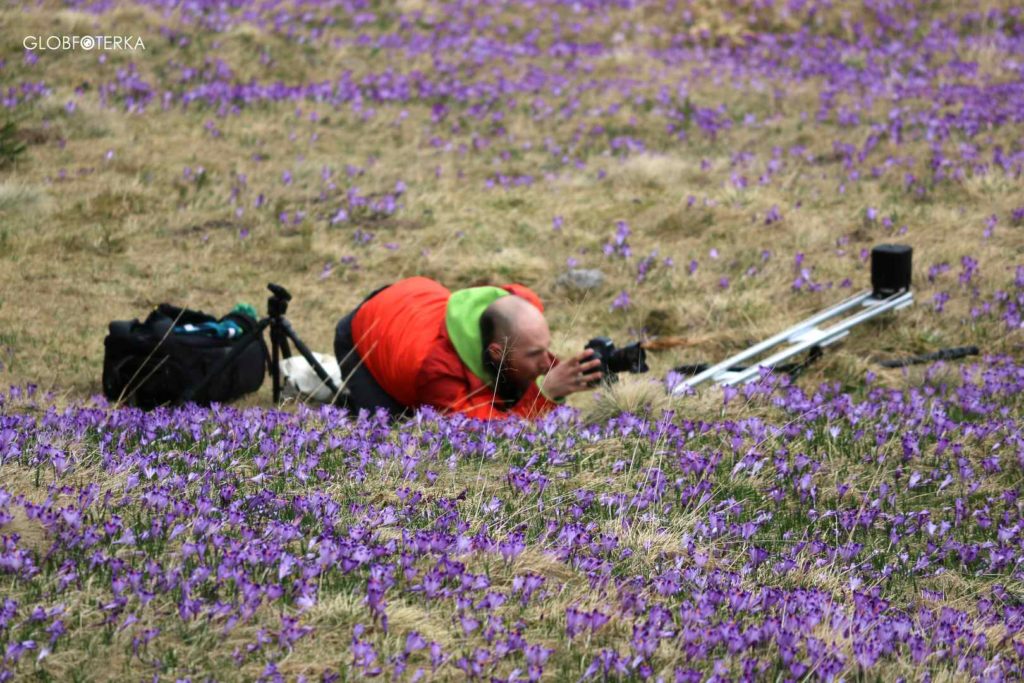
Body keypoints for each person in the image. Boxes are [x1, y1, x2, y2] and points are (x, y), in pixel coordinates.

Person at [333, 276, 602, 420]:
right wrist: (544, 394)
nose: (547, 363)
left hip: (411, 300)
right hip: (363, 335)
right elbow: (483, 433)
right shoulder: (437, 370)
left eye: (546, 348)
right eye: (534, 354)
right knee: (393, 424)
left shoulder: (520, 307)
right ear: (496, 352)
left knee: (509, 387)